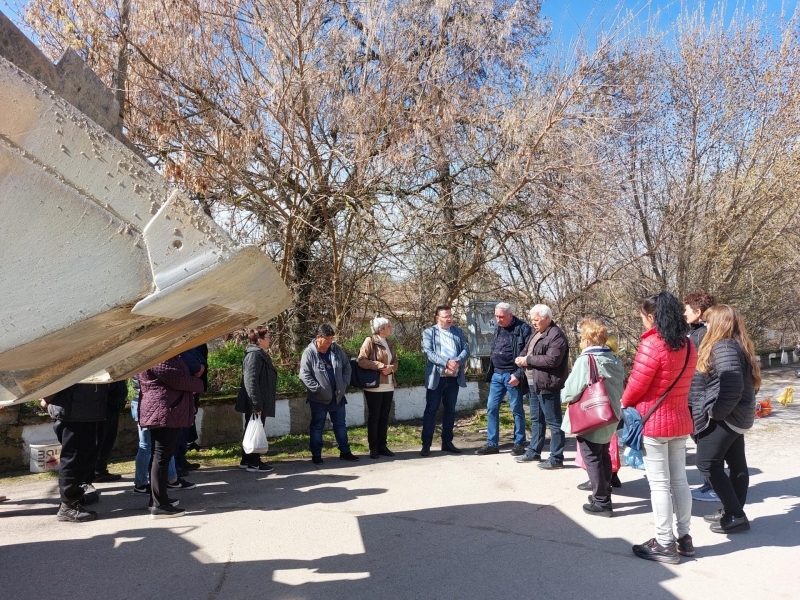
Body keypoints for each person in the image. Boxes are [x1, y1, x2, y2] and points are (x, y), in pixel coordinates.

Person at [621, 291, 697, 564]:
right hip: (680, 421)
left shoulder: (652, 344)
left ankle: (664, 543)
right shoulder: (688, 345)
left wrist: (624, 401)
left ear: (651, 316)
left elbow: (637, 385)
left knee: (659, 485)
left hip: (655, 423)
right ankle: (685, 539)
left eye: (643, 316)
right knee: (680, 481)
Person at [690, 305, 759, 534]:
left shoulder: (724, 346)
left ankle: (736, 514)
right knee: (737, 463)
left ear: (718, 324)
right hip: (737, 416)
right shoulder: (737, 344)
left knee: (707, 463)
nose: (705, 326)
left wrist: (715, 412)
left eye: (708, 322)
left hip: (727, 417)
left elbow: (732, 388)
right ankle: (733, 510)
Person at [560, 319, 624, 517]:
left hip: (591, 415)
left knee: (592, 457)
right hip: (610, 413)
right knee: (603, 453)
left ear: (587, 339)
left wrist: (562, 397)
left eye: (582, 337)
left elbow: (570, 391)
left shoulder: (586, 360)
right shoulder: (614, 359)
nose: (581, 340)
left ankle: (601, 502)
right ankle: (605, 492)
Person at [139, 355, 205, 519]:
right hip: (163, 410)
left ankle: (157, 498)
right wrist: (198, 383)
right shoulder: (158, 355)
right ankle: (159, 505)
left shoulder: (164, 353)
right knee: (161, 456)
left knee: (161, 456)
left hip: (165, 409)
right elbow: (176, 377)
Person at [43, 383, 108, 522]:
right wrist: (47, 397)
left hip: (86, 410)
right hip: (71, 410)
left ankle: (74, 498)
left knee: (83, 457)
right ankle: (68, 506)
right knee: (72, 459)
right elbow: (58, 376)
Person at [514, 304, 569, 468]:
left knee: (554, 422)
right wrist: (521, 357)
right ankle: (533, 451)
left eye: (536, 320)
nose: (533, 323)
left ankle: (556, 458)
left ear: (547, 318)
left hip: (548, 384)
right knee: (536, 419)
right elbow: (527, 349)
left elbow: (553, 360)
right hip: (533, 382)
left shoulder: (556, 335)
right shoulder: (536, 333)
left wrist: (528, 360)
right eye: (532, 320)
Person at [476, 303, 531, 456]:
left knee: (516, 409)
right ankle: (492, 443)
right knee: (491, 408)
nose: (498, 320)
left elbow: (528, 354)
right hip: (496, 375)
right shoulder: (499, 327)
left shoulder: (523, 329)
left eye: (501, 317)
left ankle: (519, 442)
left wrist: (519, 375)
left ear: (510, 316)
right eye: (496, 316)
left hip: (512, 375)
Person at [299, 324, 359, 465]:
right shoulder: (309, 353)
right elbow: (304, 375)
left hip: (338, 396)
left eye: (331, 338)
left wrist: (344, 384)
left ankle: (345, 451)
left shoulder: (336, 350)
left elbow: (347, 367)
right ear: (318, 337)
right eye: (327, 338)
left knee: (340, 425)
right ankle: (316, 454)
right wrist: (318, 389)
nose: (329, 341)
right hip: (319, 399)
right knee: (317, 426)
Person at [683, 291, 719, 503]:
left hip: (700, 398)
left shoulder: (702, 336)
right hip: (696, 396)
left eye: (687, 309)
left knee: (706, 445)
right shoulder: (696, 332)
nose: (684, 312)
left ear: (698, 312)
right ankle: (711, 484)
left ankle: (714, 487)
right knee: (701, 441)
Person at [421, 306, 470, 456]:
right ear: (437, 318)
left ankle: (447, 442)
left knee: (450, 410)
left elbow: (466, 350)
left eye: (450, 316)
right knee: (431, 410)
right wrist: (447, 362)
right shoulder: (429, 332)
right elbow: (429, 353)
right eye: (445, 317)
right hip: (437, 377)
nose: (449, 319)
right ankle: (426, 444)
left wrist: (456, 362)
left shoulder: (457, 331)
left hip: (453, 377)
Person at [130, 375, 190, 495]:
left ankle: (169, 479)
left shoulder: (135, 361)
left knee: (156, 444)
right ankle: (144, 483)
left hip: (142, 401)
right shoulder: (150, 363)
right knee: (154, 445)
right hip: (148, 402)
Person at [236, 327, 277, 472]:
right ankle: (254, 462)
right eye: (268, 337)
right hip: (257, 401)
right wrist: (256, 404)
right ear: (259, 340)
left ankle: (247, 460)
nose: (270, 339)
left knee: (251, 428)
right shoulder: (254, 355)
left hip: (259, 399)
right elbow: (250, 380)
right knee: (255, 429)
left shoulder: (259, 354)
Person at [358, 317, 400, 459]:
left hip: (388, 385)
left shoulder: (389, 342)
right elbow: (361, 360)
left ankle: (383, 445)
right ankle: (373, 447)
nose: (391, 328)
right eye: (389, 326)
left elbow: (395, 360)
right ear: (380, 329)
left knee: (384, 416)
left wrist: (392, 369)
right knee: (374, 416)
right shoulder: (369, 341)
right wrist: (380, 366)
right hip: (374, 386)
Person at [174, 346, 206, 477]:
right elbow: (192, 364)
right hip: (179, 397)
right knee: (177, 434)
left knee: (186, 427)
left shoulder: (189, 347)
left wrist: (202, 365)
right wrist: (198, 368)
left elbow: (199, 356)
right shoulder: (175, 352)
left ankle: (181, 459)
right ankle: (175, 466)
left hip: (188, 394)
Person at [89, 380, 128, 483]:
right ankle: (96, 471)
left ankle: (100, 470)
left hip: (113, 404)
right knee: (101, 440)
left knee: (108, 440)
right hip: (105, 405)